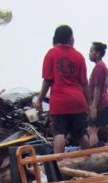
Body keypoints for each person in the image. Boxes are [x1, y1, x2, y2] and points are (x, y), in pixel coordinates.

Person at [35, 25, 90, 154]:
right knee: (81, 134)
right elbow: (84, 84)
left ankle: (59, 165)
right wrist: (90, 104)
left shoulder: (51, 54)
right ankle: (91, 159)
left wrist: (39, 100)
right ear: (71, 38)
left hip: (59, 102)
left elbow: (47, 80)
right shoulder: (79, 56)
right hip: (77, 102)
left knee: (59, 134)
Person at [87, 42, 108, 146]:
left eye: (91, 51)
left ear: (97, 53)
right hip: (107, 101)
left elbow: (97, 89)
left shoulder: (99, 67)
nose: (89, 53)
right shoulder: (104, 67)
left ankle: (94, 153)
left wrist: (93, 107)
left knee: (92, 129)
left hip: (101, 103)